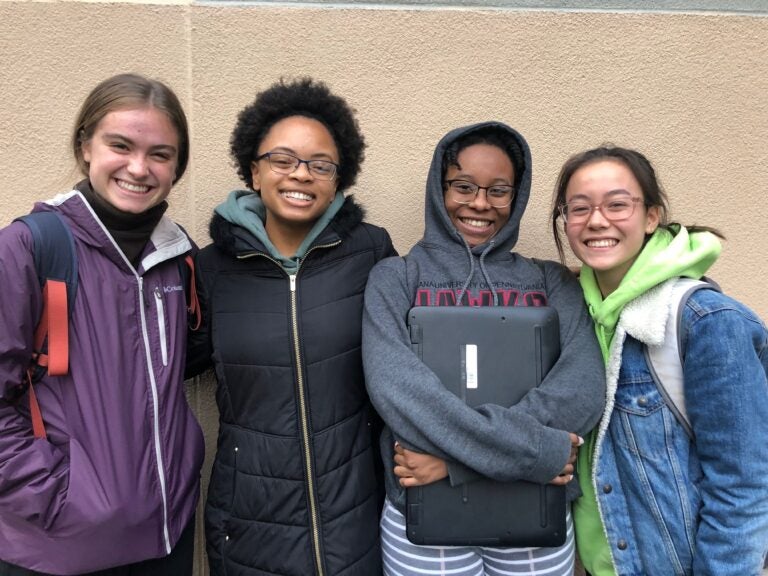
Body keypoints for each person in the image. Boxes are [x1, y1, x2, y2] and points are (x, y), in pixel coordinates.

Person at [361, 121, 605, 576]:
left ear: (517, 196)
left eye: (498, 190)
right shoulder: (395, 279)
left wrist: (453, 463)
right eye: (464, 186)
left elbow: (583, 389)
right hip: (425, 514)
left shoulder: (551, 281)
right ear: (440, 188)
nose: (479, 203)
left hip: (533, 511)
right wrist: (539, 452)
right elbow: (400, 394)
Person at [185, 77, 396, 576]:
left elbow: (411, 356)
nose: (301, 175)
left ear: (339, 178)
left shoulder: (371, 252)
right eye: (282, 160)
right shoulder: (213, 268)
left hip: (355, 510)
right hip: (248, 517)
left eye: (320, 164)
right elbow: (164, 362)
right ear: (254, 171)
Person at [0, 73, 205, 575]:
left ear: (176, 167)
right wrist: (54, 496)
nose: (139, 167)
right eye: (120, 145)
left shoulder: (180, 259)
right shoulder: (28, 247)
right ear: (85, 146)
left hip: (166, 538)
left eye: (160, 153)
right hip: (55, 547)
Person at [550, 145, 768, 576]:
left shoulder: (708, 322)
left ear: (652, 216)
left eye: (617, 205)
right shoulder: (578, 316)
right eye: (579, 208)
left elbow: (742, 490)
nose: (596, 221)